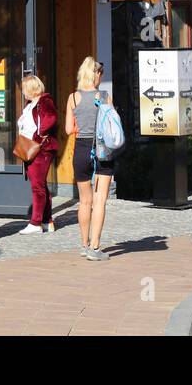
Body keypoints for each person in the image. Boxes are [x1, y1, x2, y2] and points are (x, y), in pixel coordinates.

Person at [66, 57, 113, 261]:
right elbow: (111, 125)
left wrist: (82, 126)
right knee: (100, 199)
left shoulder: (73, 98)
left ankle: (84, 244)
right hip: (102, 149)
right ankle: (95, 247)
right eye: (101, 74)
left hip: (81, 149)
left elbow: (69, 129)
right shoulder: (104, 97)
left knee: (84, 201)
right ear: (96, 74)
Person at [17, 74, 59, 235]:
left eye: (25, 89)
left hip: (41, 149)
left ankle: (35, 223)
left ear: (32, 89)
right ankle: (47, 220)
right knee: (40, 185)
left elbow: (51, 119)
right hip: (30, 147)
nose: (23, 92)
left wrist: (38, 136)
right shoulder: (30, 104)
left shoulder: (44, 101)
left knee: (37, 187)